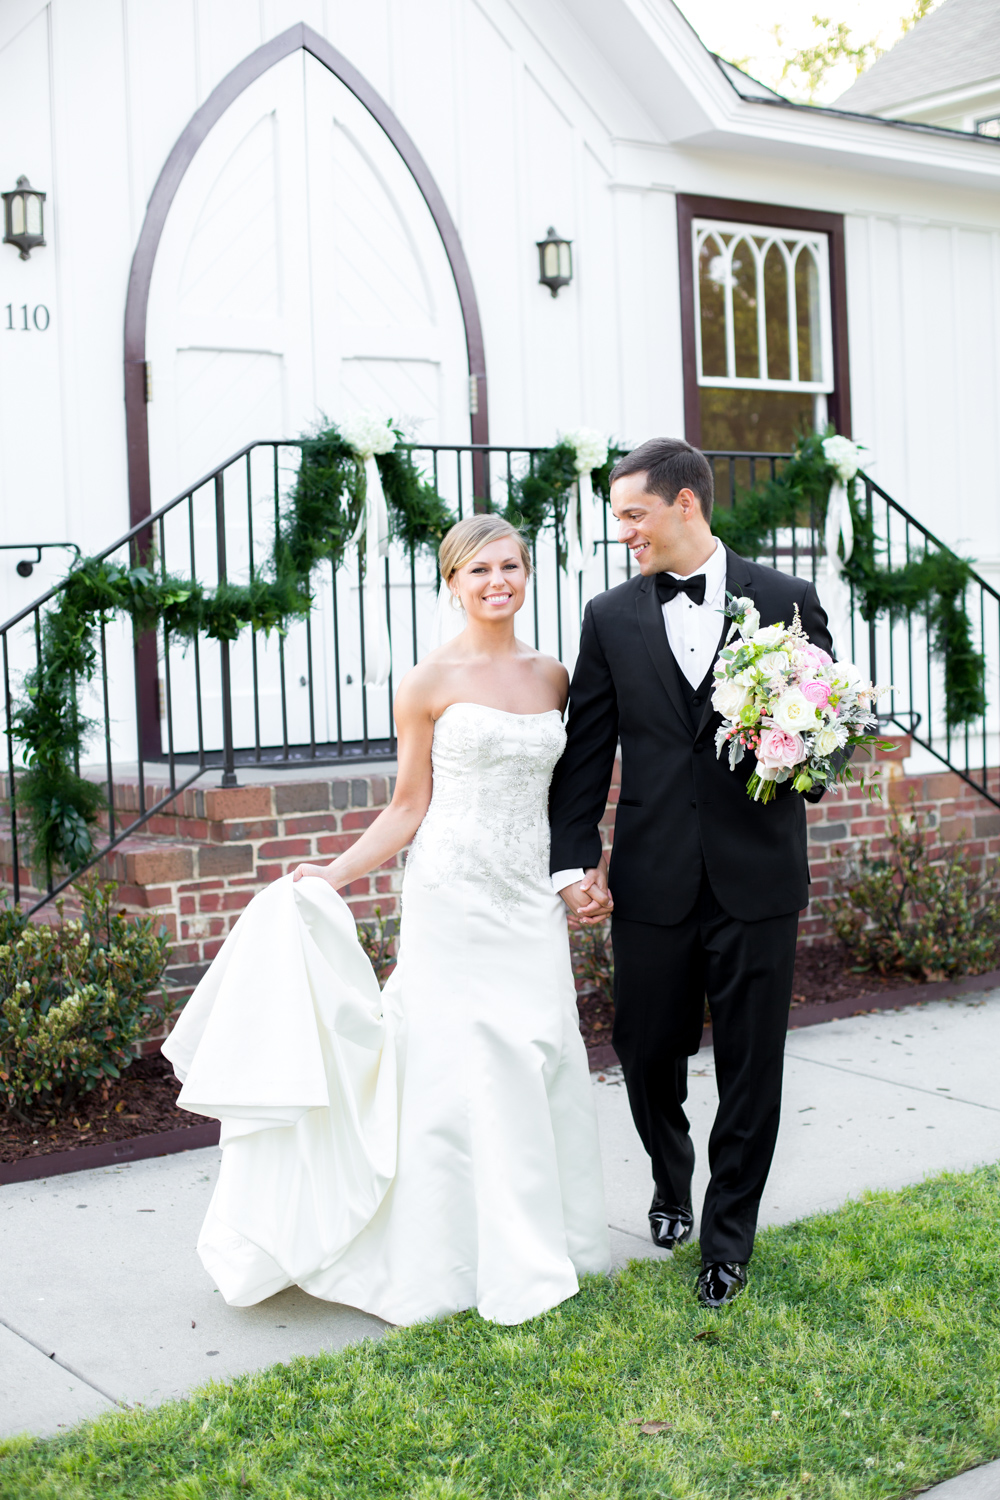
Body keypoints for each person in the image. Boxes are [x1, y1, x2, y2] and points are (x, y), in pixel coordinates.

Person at [163, 513, 610, 1327]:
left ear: (526, 573)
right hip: (453, 893)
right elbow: (408, 806)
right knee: (460, 1065)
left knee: (538, 1049)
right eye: (479, 571)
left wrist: (579, 874)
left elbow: (566, 798)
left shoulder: (554, 676)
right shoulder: (427, 680)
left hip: (527, 895)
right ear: (453, 583)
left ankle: (540, 1243)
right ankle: (444, 1255)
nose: (497, 582)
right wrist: (331, 873)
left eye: (510, 566)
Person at [549, 437, 833, 1308]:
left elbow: (825, 731)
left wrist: (796, 750)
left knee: (752, 1064)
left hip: (758, 876)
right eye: (619, 518)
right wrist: (573, 860)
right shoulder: (609, 616)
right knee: (644, 1051)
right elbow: (587, 749)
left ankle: (727, 1238)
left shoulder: (786, 600)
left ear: (685, 504)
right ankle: (670, 1180)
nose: (624, 532)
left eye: (634, 514)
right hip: (652, 874)